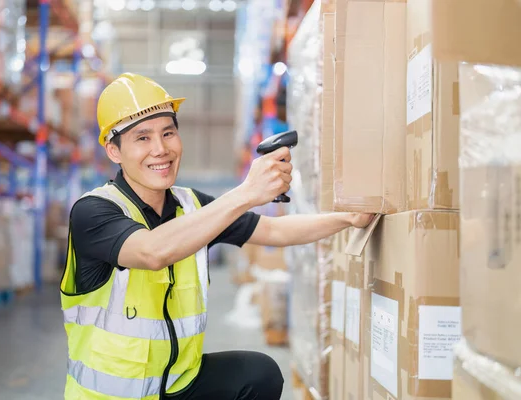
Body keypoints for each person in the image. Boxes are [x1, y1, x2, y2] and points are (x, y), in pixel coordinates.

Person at [60, 73, 374, 400]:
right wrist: (246, 193)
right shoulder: (94, 211)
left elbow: (273, 230)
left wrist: (348, 218)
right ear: (114, 151)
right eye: (142, 138)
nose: (160, 149)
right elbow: (152, 252)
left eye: (168, 133)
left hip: (176, 386)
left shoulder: (191, 205)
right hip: (113, 396)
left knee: (258, 374)